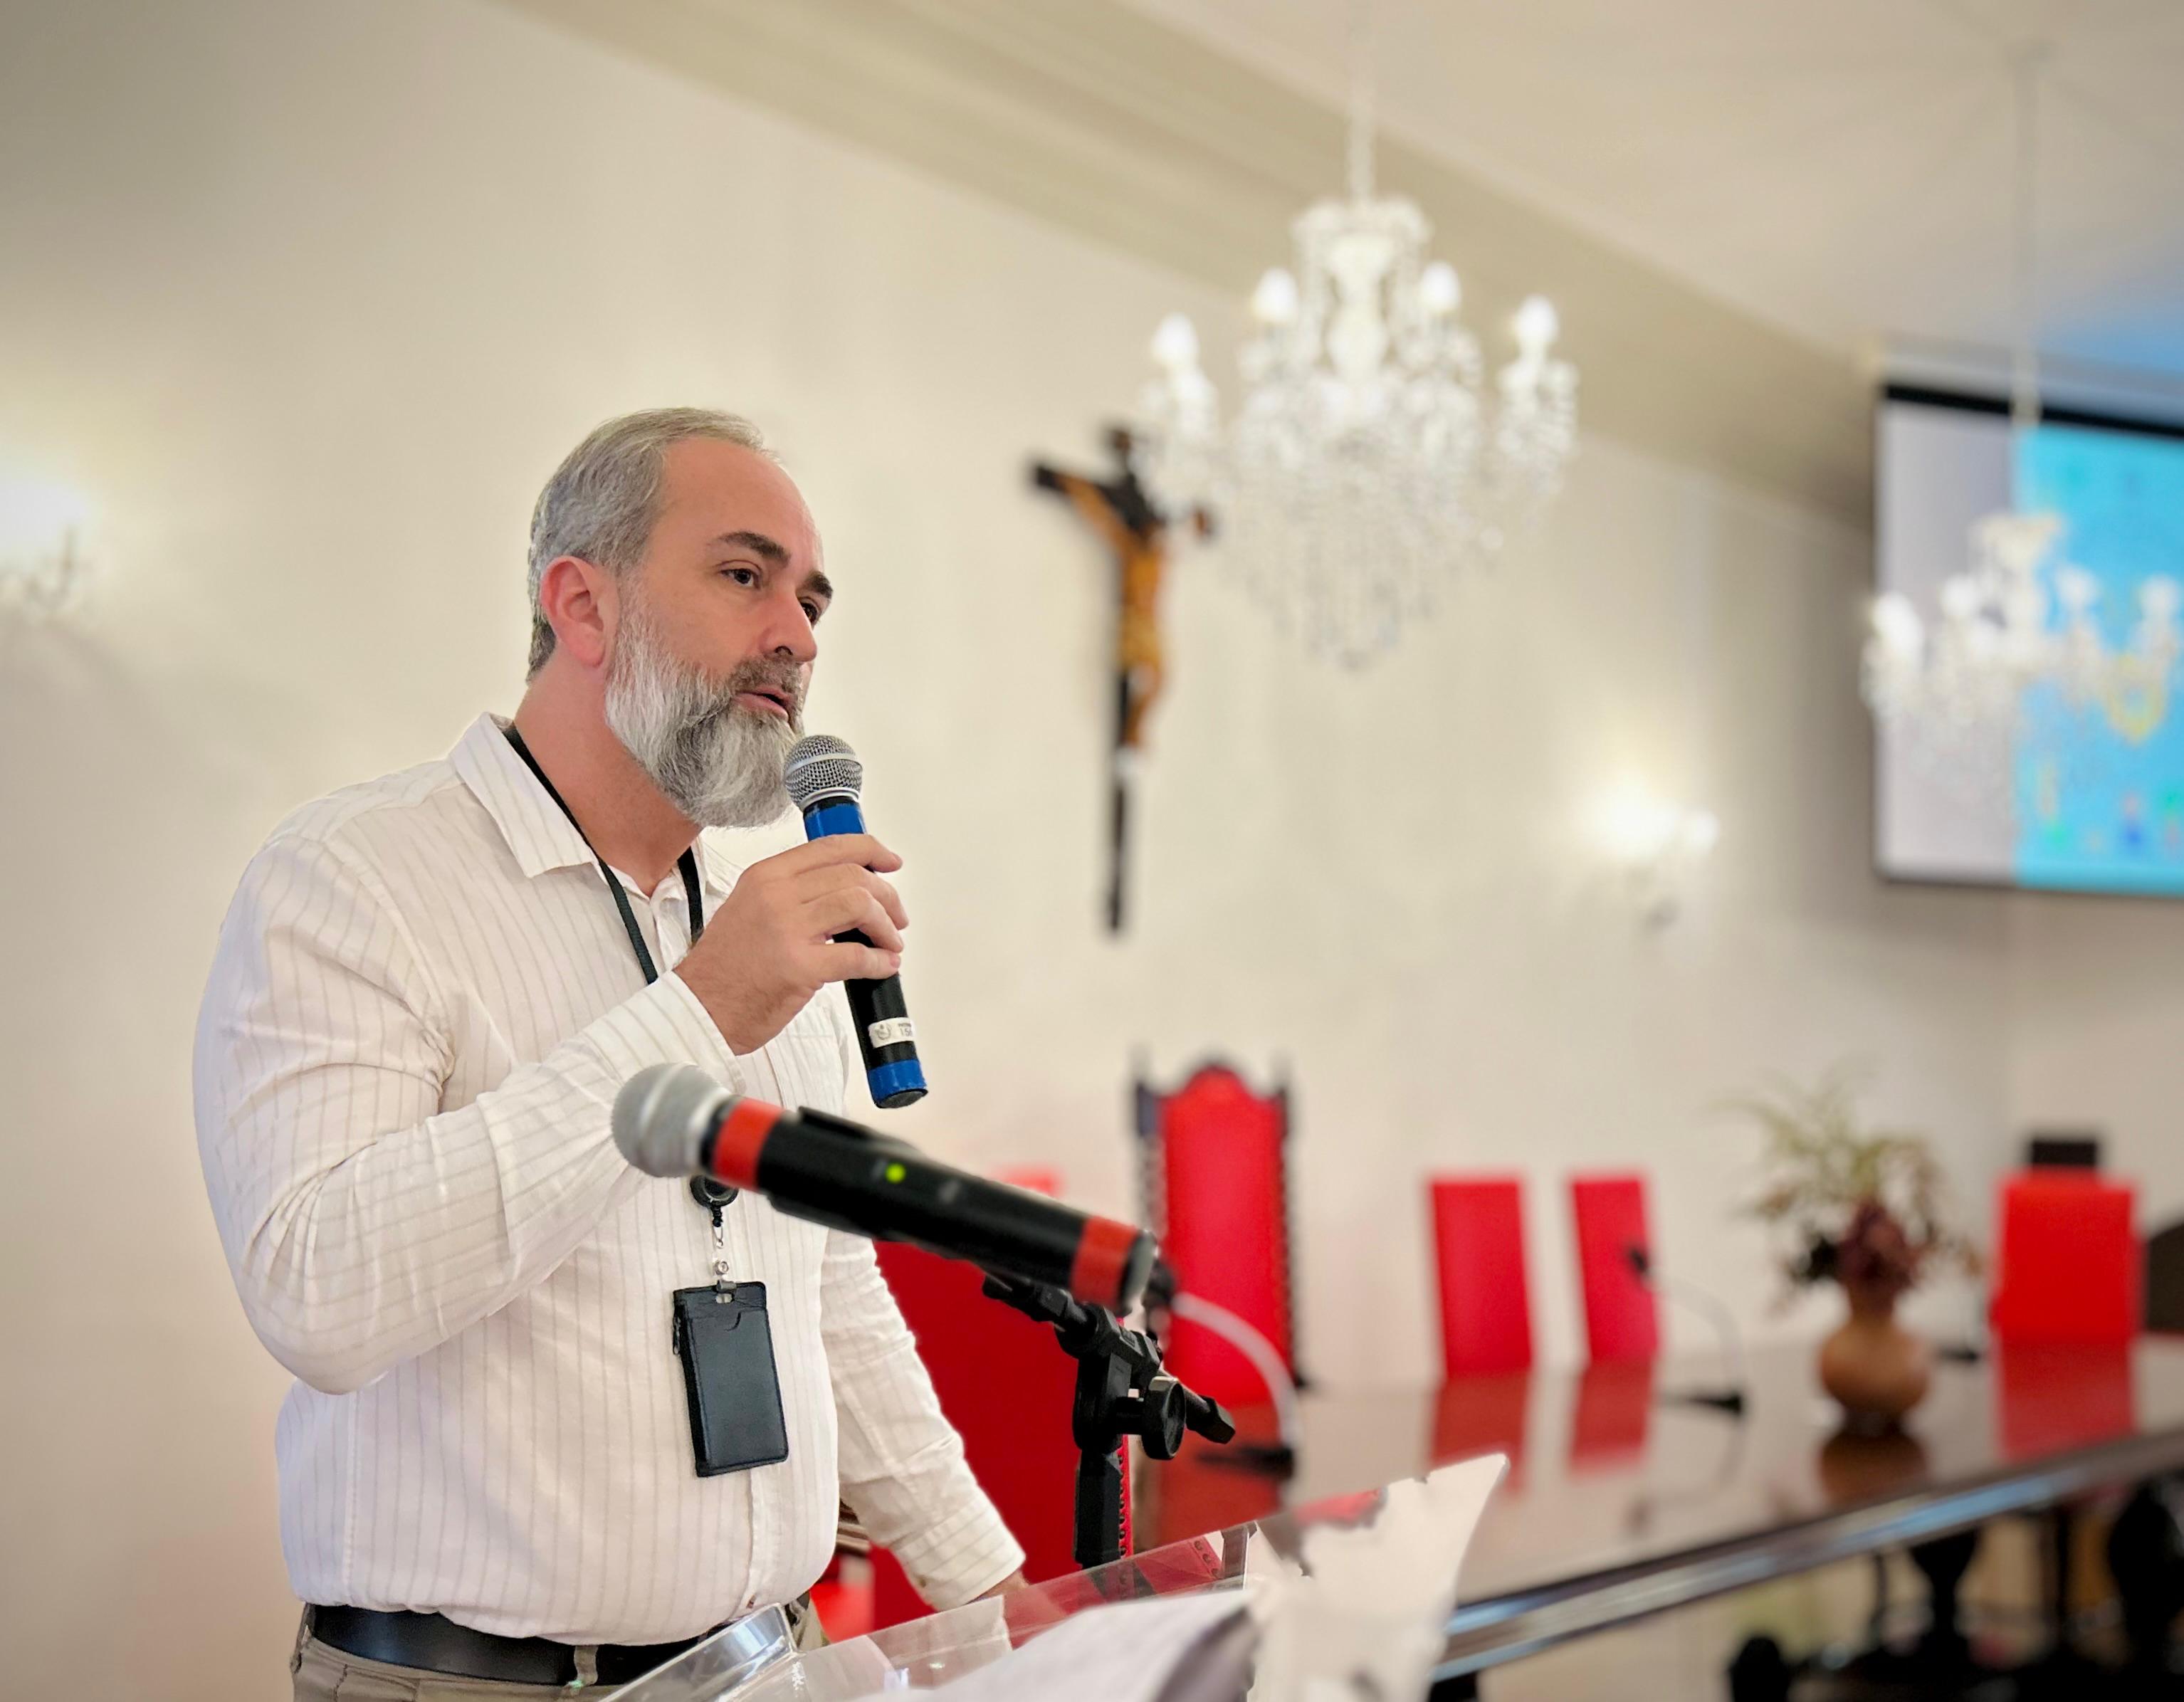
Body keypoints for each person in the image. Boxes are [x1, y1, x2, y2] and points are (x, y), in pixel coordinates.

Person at [194, 409, 1024, 1697]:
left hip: (771, 1664)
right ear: (583, 605)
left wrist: (987, 1593)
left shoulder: (744, 916)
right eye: (744, 575)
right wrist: (696, 1014)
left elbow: (828, 1295)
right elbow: (319, 1297)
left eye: (812, 601)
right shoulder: (353, 879)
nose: (799, 638)